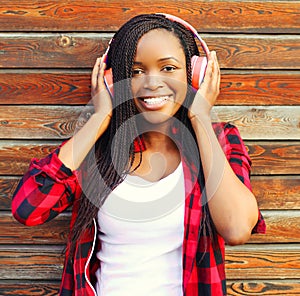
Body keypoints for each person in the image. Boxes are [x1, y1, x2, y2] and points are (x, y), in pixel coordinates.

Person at [12, 13, 265, 296]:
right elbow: (29, 208)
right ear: (112, 81)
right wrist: (99, 118)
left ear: (195, 75)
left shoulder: (221, 140)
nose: (152, 83)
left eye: (168, 68)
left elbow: (237, 228)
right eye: (135, 71)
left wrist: (201, 117)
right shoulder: (97, 151)